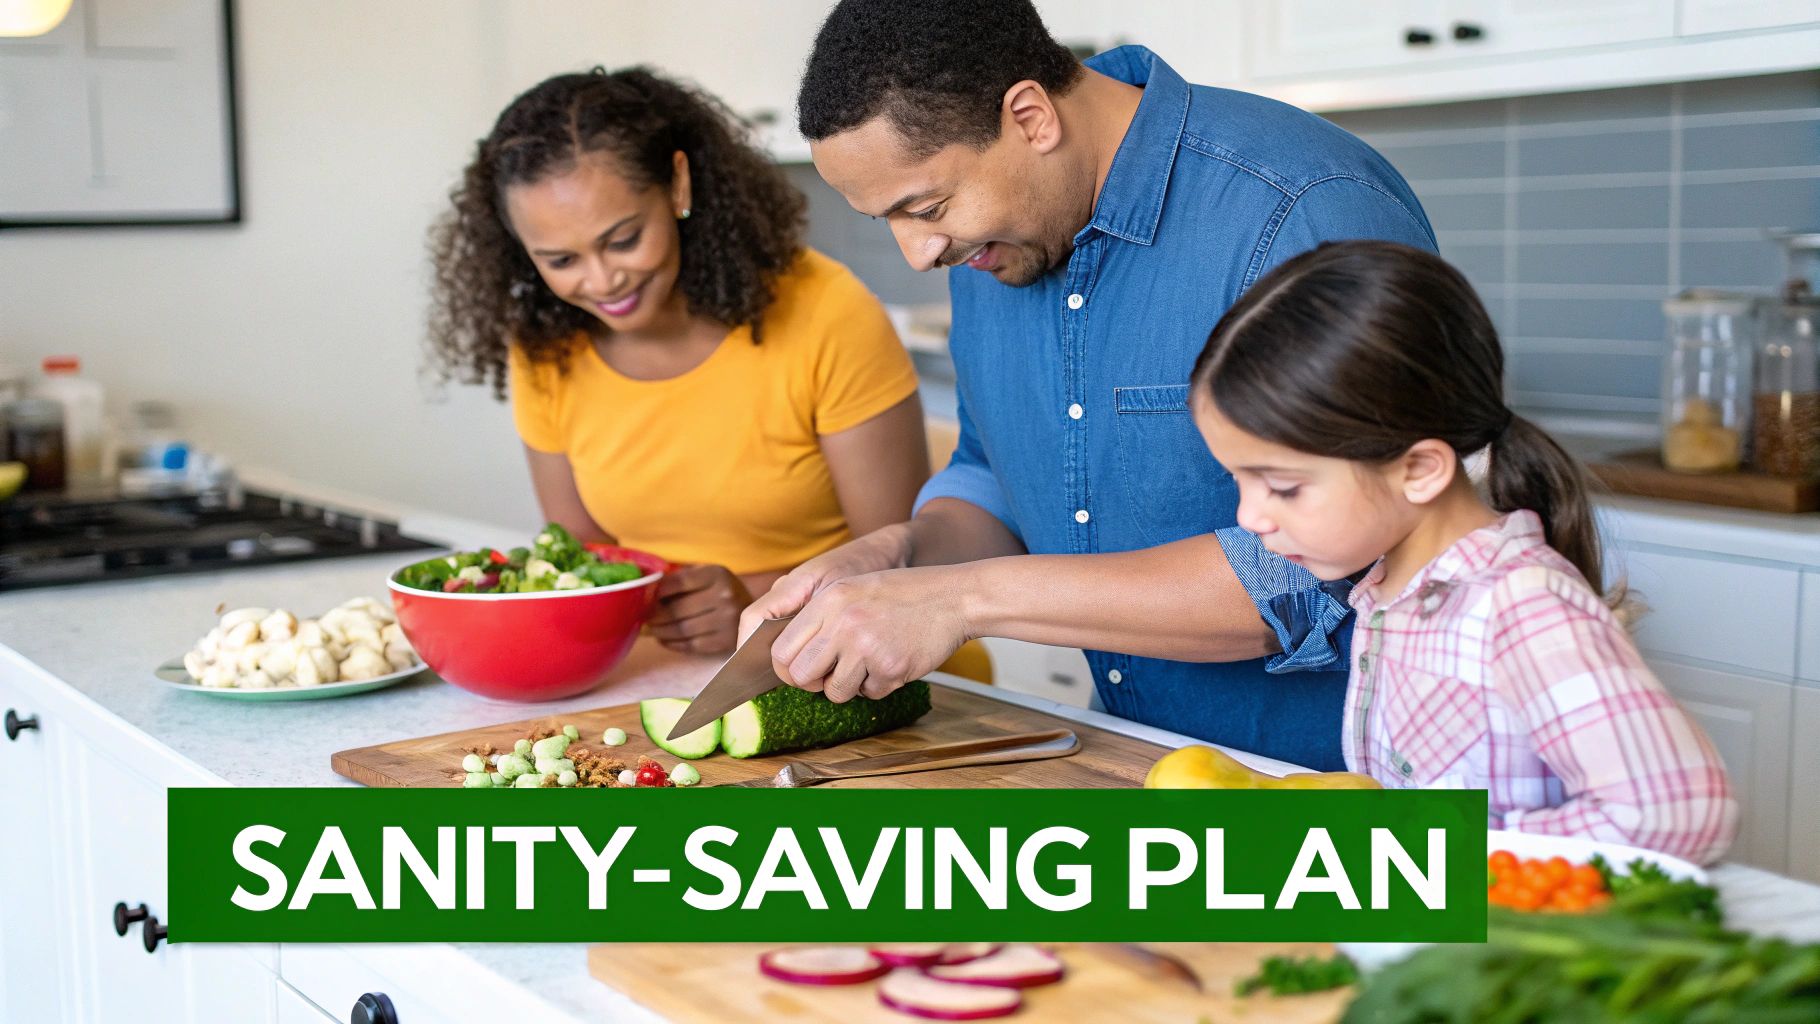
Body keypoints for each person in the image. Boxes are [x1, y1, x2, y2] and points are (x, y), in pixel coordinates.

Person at [744, 0, 1436, 769]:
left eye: (927, 207)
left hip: (1350, 786)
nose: (918, 252)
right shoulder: (990, 240)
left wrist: (962, 599)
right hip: (1143, 761)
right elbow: (993, 473)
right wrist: (895, 558)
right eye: (889, 221)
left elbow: (1321, 566)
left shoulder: (1301, 209)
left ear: (1032, 117)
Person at [1190, 240, 1738, 863]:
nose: (1248, 516)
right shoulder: (1388, 585)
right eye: (1239, 479)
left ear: (1420, 469)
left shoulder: (1520, 606)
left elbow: (1680, 812)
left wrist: (1450, 853)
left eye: (1283, 487)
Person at [427, 67, 928, 656]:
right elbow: (584, 557)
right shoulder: (545, 347)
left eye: (622, 239)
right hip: (657, 671)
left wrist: (755, 603)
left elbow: (903, 565)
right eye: (561, 259)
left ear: (679, 186)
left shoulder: (826, 312)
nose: (602, 279)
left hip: (861, 666)